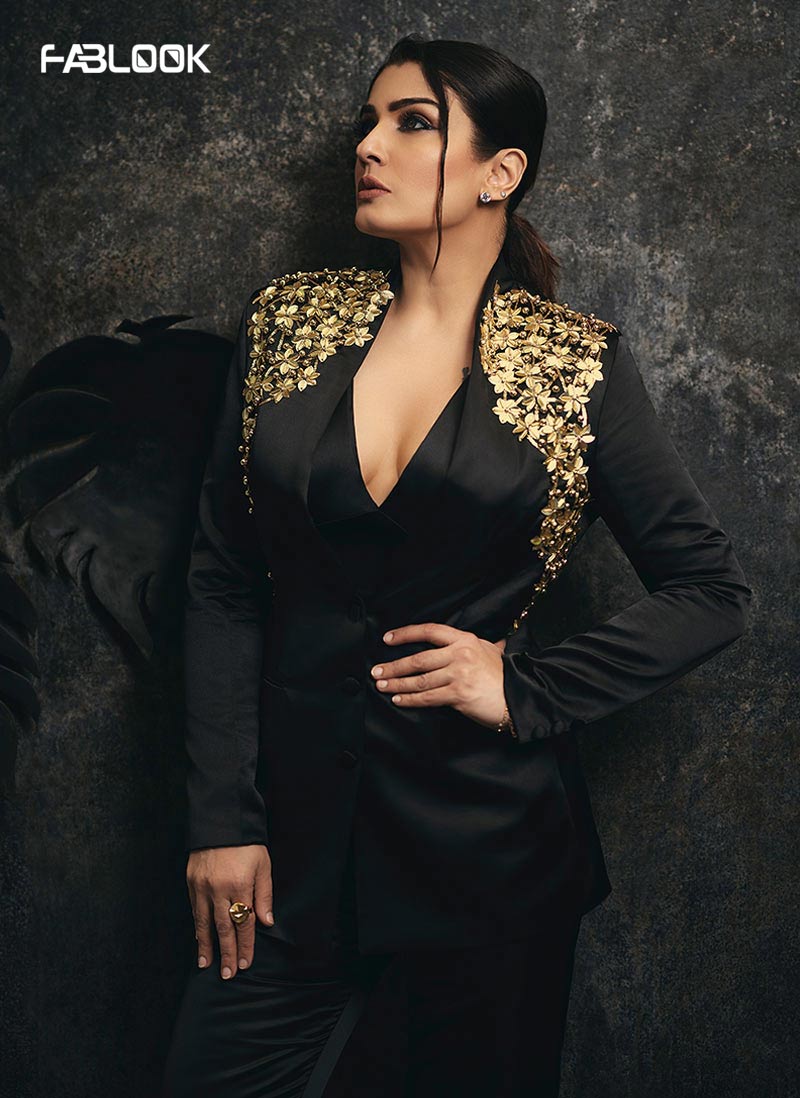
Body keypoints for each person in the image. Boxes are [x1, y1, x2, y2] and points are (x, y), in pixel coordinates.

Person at [162, 34, 752, 1098]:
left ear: (500, 172)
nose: (368, 145)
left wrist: (524, 687)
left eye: (412, 123)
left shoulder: (574, 364)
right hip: (282, 853)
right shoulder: (287, 324)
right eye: (368, 122)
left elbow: (710, 592)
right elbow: (221, 578)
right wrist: (222, 822)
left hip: (490, 862)